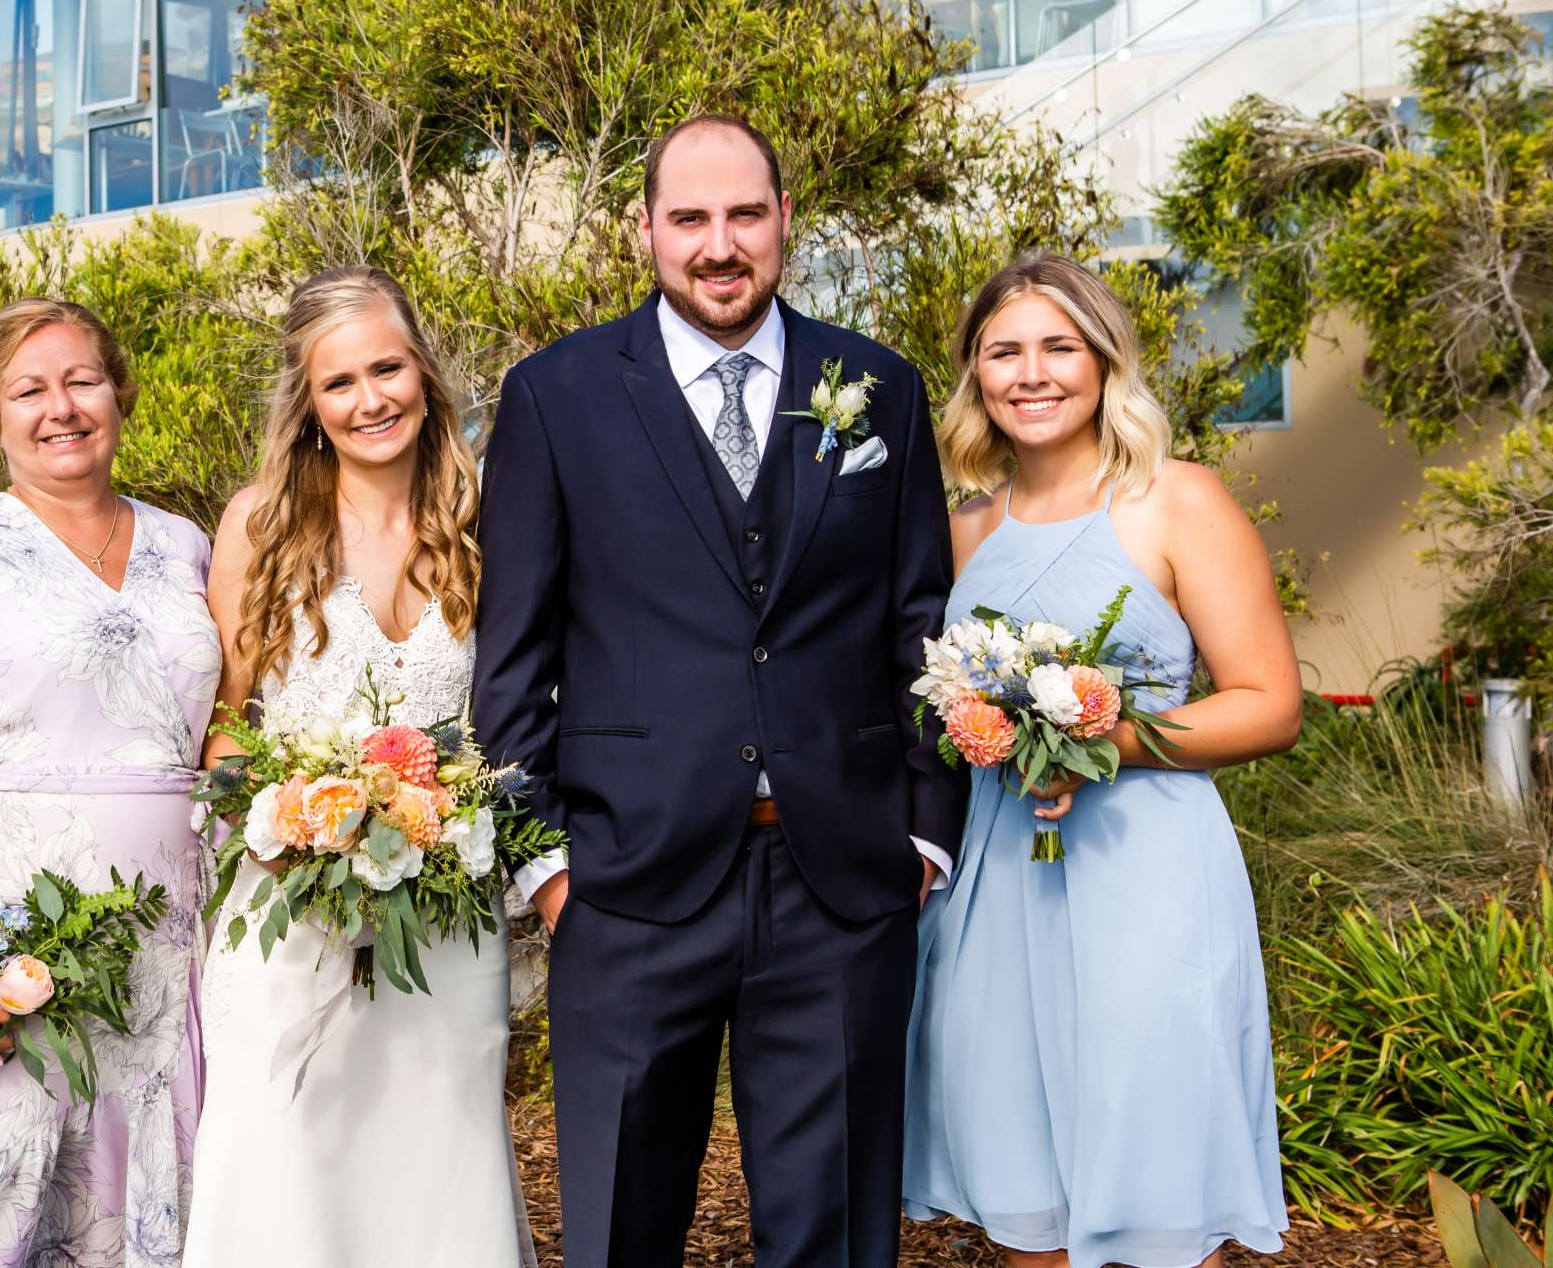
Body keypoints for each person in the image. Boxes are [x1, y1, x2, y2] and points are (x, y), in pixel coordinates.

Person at [474, 113, 966, 1268]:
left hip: (842, 883)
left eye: (745, 213)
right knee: (618, 1234)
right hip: (627, 887)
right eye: (690, 217)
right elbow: (513, 659)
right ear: (646, 228)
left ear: (786, 220)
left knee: (836, 1235)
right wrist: (550, 872)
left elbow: (921, 626)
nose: (720, 244)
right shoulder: (556, 395)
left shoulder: (879, 389)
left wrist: (925, 842)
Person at [903, 252, 1298, 1268]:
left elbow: (1270, 702)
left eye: (1056, 347)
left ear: (1103, 360)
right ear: (975, 375)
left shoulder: (1177, 501)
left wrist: (1104, 739)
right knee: (1021, 1183)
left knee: (1155, 1174)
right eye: (1004, 352)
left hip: (1145, 873)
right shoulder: (963, 530)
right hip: (1000, 876)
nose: (1031, 373)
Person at [185, 265, 551, 1268]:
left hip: (447, 922)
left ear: (424, 373)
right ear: (308, 401)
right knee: (291, 1172)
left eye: (387, 368)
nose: (370, 398)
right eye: (339, 382)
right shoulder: (259, 523)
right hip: (291, 917)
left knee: (440, 1171)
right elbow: (228, 732)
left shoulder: (485, 518)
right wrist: (296, 831)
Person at [0, 298, 220, 1268]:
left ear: (119, 394)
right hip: (3, 943)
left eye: (81, 381)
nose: (60, 407)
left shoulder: (187, 545)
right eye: (30, 389)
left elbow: (223, 724)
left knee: (154, 1217)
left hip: (161, 950)